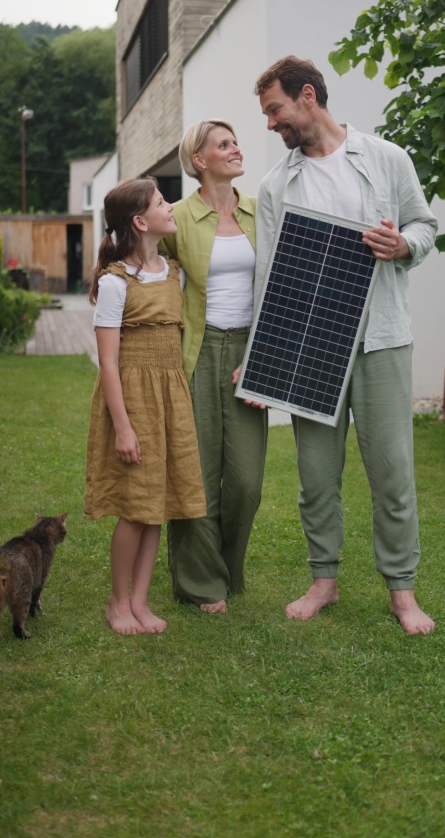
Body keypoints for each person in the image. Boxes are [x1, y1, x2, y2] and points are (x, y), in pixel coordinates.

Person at [253, 56, 437, 634]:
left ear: (308, 97)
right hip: (311, 347)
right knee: (315, 476)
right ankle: (323, 581)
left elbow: (425, 226)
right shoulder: (275, 186)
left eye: (275, 109)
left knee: (392, 472)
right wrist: (261, 360)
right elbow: (269, 282)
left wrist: (402, 245)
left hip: (381, 340)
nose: (269, 123)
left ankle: (402, 592)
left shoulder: (387, 159)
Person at [85, 177, 206, 636]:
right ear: (140, 221)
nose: (170, 206)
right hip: (133, 402)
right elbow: (109, 363)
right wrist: (123, 427)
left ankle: (140, 600)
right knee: (135, 506)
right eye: (161, 202)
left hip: (169, 399)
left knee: (156, 503)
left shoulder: (175, 272)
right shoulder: (117, 284)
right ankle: (117, 602)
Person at [161, 120, 268, 615]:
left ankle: (226, 569)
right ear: (199, 160)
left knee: (245, 483)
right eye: (223, 144)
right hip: (198, 355)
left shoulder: (259, 213)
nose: (235, 149)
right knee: (196, 476)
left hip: (250, 353)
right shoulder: (178, 217)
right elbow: (144, 264)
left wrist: (266, 355)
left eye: (235, 142)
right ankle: (202, 583)